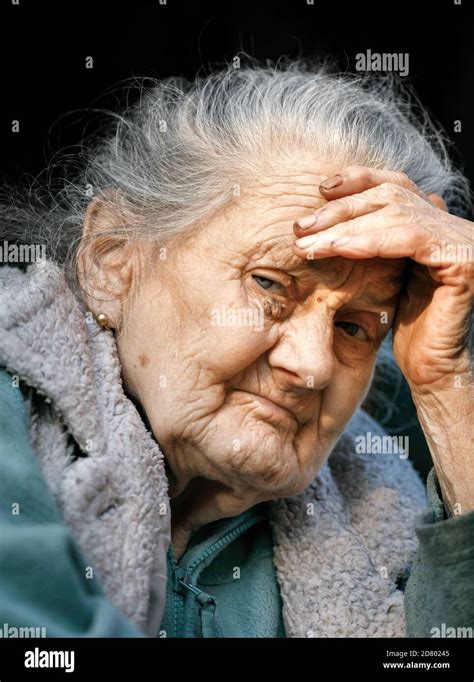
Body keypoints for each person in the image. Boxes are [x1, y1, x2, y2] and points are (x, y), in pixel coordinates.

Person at [0, 62, 472, 638]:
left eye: (354, 328)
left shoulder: (375, 508)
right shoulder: (13, 412)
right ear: (112, 260)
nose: (312, 366)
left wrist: (447, 387)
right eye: (270, 284)